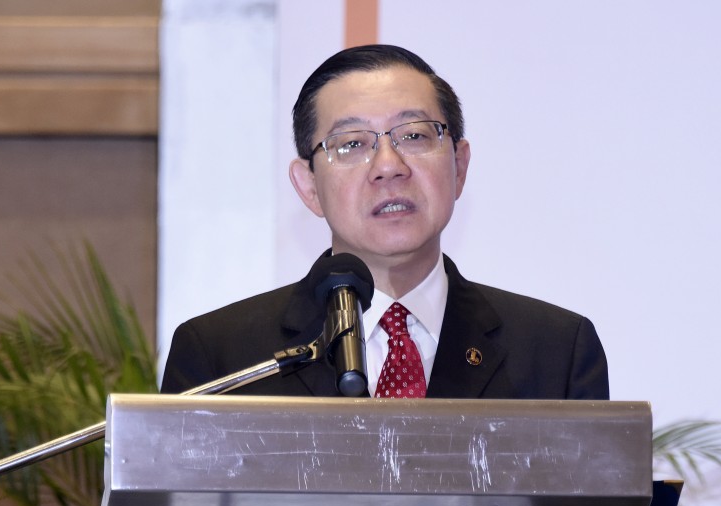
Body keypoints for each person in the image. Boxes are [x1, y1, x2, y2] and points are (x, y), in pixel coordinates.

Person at [161, 44, 608, 400]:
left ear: (460, 165)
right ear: (309, 187)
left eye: (414, 135)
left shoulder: (556, 351)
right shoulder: (221, 357)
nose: (388, 166)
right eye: (352, 143)